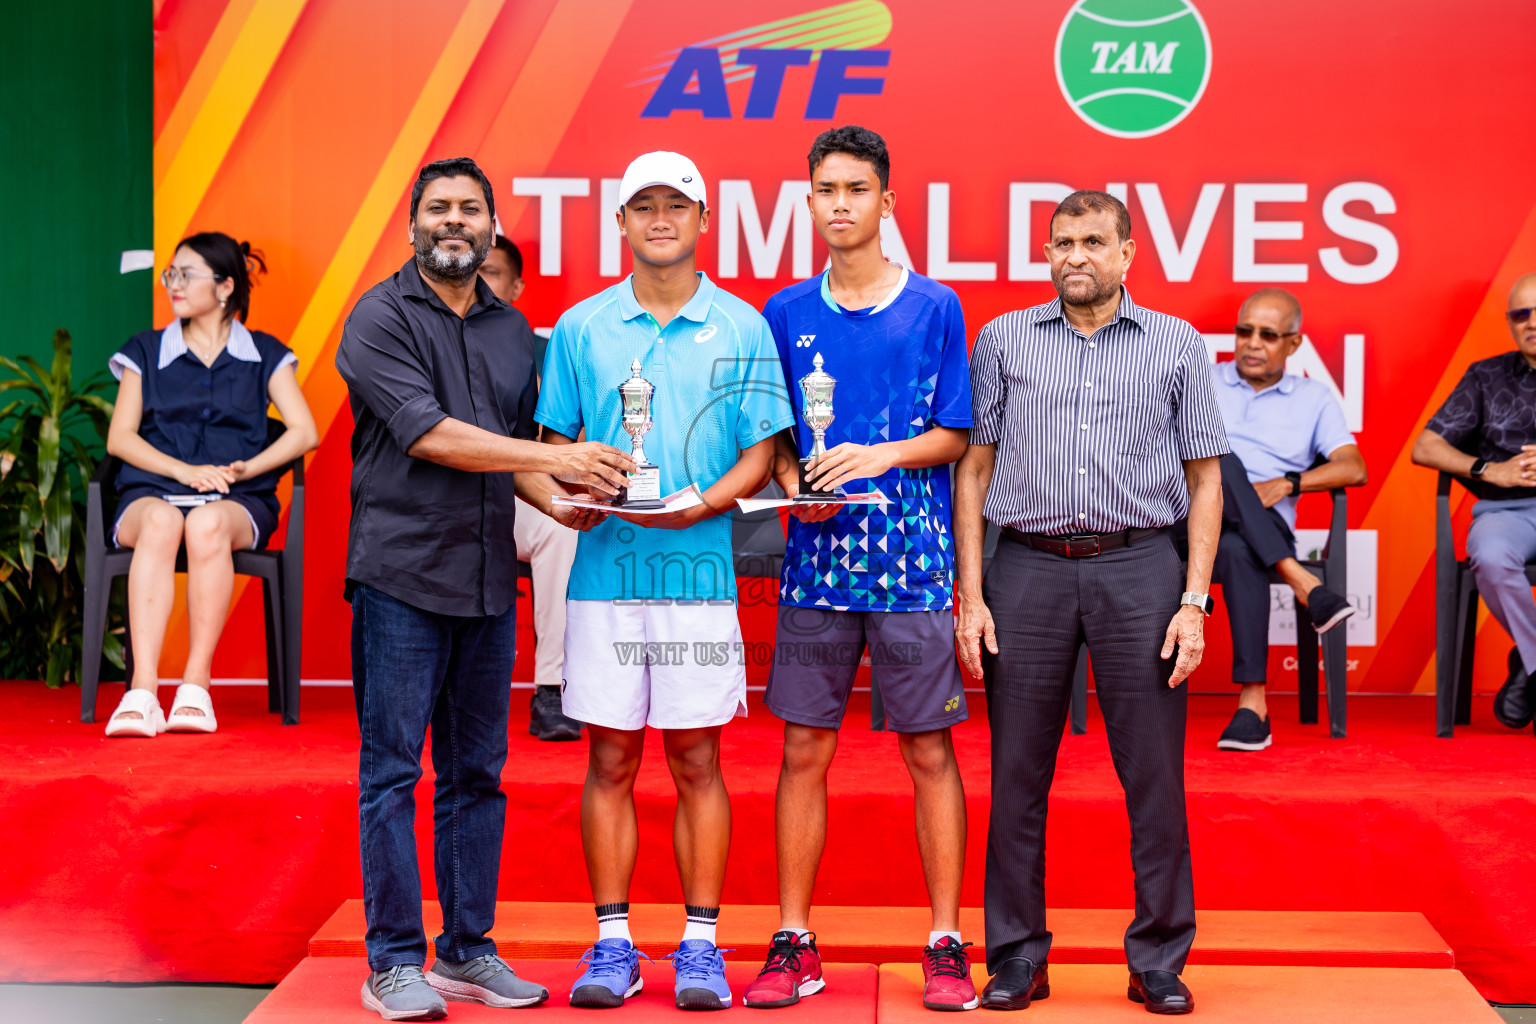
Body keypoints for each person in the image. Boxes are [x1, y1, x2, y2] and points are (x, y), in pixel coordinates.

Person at [336, 156, 634, 1020]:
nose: (453, 221)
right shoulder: (378, 317)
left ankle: (467, 950)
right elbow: (430, 435)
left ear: (493, 226)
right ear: (413, 224)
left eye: (470, 209)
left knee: (478, 772)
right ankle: (393, 961)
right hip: (400, 574)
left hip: (484, 577)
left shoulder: (514, 334)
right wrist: (554, 459)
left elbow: (512, 457)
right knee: (392, 772)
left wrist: (566, 502)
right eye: (438, 208)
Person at [954, 190, 1228, 1015]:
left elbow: (1206, 478)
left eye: (1093, 241)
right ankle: (1016, 959)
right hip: (1026, 571)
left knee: (1153, 775)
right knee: (1015, 775)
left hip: (1141, 568)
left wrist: (1193, 601)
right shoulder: (1002, 340)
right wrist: (972, 593)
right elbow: (972, 470)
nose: (1075, 255)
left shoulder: (1177, 344)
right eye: (1061, 241)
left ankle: (1157, 959)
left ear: (1127, 252)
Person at [533, 151, 795, 1011]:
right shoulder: (581, 326)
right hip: (604, 576)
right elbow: (551, 445)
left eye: (674, 206)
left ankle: (701, 947)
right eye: (641, 206)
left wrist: (707, 503)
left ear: (702, 219)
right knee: (608, 757)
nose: (658, 220)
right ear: (620, 222)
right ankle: (612, 945)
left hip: (699, 572)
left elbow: (761, 450)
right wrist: (564, 494)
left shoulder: (743, 325)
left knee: (695, 757)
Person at [744, 126, 977, 1012]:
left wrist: (877, 457)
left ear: (887, 200)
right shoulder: (785, 312)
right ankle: (795, 941)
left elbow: (955, 434)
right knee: (804, 747)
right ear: (807, 202)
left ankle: (946, 941)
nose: (839, 204)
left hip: (915, 566)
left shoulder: (936, 308)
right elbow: (777, 444)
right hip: (814, 567)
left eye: (856, 189)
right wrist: (800, 484)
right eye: (824, 190)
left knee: (929, 751)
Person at [102, 232, 318, 738]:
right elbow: (120, 439)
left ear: (224, 287)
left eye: (185, 275)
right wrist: (179, 471)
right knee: (160, 520)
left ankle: (195, 686)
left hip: (235, 501)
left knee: (203, 524)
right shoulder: (145, 350)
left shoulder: (265, 353)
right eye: (169, 274)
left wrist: (248, 467)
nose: (173, 284)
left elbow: (304, 431)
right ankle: (144, 691)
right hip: (151, 491)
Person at [1209, 288, 1366, 751]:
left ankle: (1252, 702)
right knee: (1222, 460)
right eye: (1244, 331)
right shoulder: (1202, 381)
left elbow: (1353, 467)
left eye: (1268, 335)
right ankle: (1303, 583)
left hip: (1257, 532)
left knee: (1241, 550)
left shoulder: (1313, 397)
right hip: (1191, 522)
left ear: (1294, 344)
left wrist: (1288, 483)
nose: (1252, 343)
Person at [1412, 272, 1536, 735]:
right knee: (1489, 556)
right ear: (1509, 323)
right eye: (1520, 314)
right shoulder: (1487, 376)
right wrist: (1490, 469)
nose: (1531, 322)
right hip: (1505, 512)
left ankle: (1529, 656)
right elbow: (1426, 447)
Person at [478, 234, 584, 742]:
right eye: (473, 269)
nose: (480, 280)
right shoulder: (422, 338)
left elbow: (559, 443)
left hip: (518, 495)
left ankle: (551, 689)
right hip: (442, 495)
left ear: (517, 285)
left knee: (560, 523)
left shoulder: (545, 348)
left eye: (492, 271)